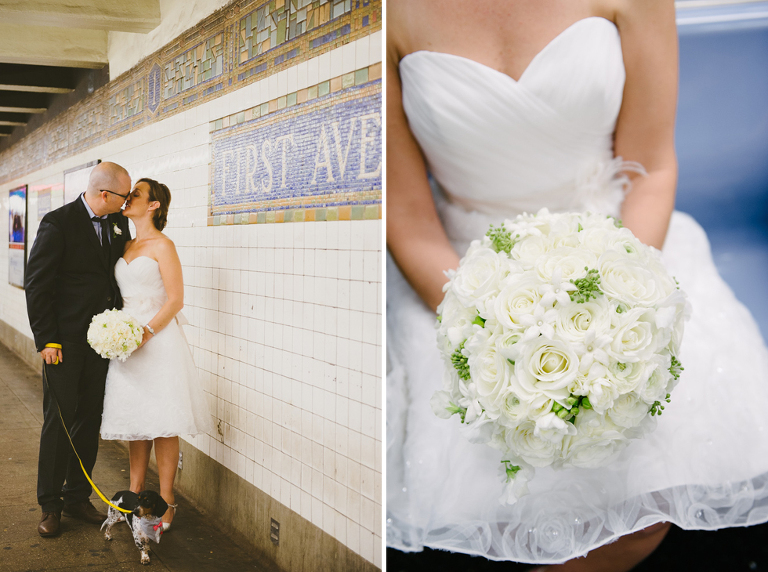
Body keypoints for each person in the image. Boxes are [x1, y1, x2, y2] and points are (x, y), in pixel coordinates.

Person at [386, 1, 768, 571]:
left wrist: (619, 310)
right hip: (455, 277)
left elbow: (651, 169)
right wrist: (488, 331)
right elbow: (408, 219)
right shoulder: (383, 16)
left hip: (623, 250)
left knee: (646, 496)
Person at [25, 161, 133, 537]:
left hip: (101, 342)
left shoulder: (119, 225)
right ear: (105, 194)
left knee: (89, 419)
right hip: (64, 342)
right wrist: (46, 339)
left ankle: (76, 497)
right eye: (125, 196)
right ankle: (50, 505)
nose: (127, 202)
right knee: (59, 421)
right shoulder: (58, 223)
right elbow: (38, 284)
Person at [99, 178, 211, 531]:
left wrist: (144, 333)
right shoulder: (126, 243)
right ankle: (134, 494)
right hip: (125, 342)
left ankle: (166, 502)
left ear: (154, 205)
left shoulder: (164, 245)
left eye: (136, 195)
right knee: (136, 419)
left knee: (163, 422)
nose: (128, 198)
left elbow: (176, 299)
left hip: (157, 340)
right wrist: (117, 333)